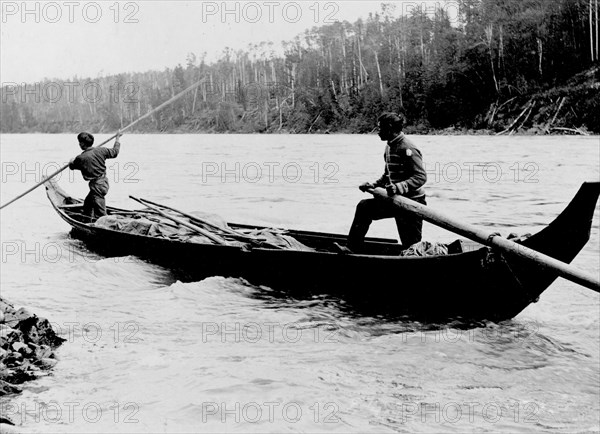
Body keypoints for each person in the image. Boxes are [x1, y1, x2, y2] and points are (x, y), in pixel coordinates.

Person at [346, 112, 427, 252]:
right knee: (364, 207)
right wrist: (374, 185)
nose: (377, 132)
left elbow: (420, 177)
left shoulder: (408, 148)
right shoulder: (389, 146)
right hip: (396, 201)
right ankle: (352, 248)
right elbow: (387, 175)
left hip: (412, 203)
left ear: (389, 128)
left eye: (380, 128)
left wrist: (398, 187)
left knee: (411, 246)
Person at [69, 131, 121, 221]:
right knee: (88, 203)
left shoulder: (81, 158)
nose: (79, 144)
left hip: (97, 187)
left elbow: (73, 166)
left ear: (82, 144)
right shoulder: (101, 150)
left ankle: (104, 227)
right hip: (104, 183)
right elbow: (115, 152)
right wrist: (117, 139)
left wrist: (71, 161)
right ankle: (87, 220)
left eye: (79, 142)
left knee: (101, 214)